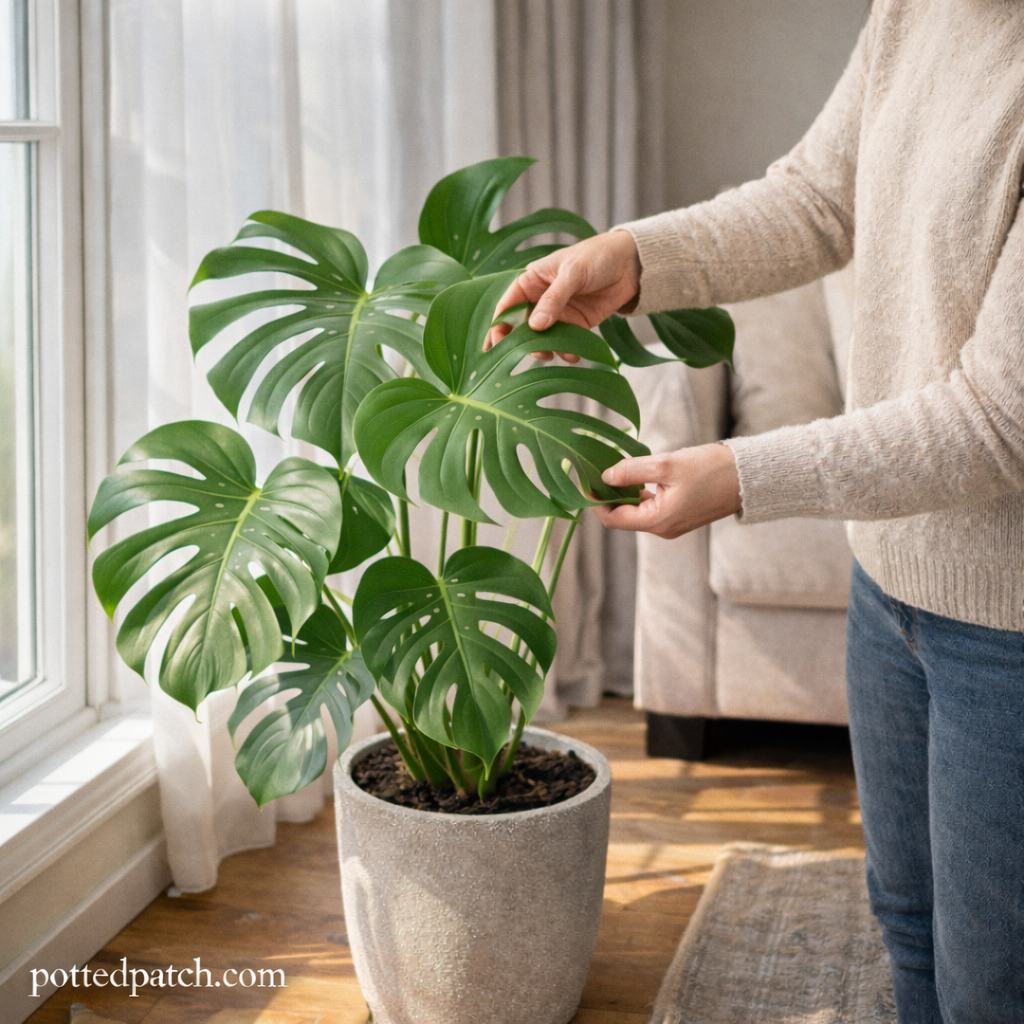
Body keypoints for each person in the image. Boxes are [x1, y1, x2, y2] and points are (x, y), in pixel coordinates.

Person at [489, 2, 1024, 1022]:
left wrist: (739, 476)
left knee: (990, 984)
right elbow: (820, 197)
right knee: (906, 925)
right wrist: (634, 258)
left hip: (1007, 630)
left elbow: (998, 418)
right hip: (889, 589)